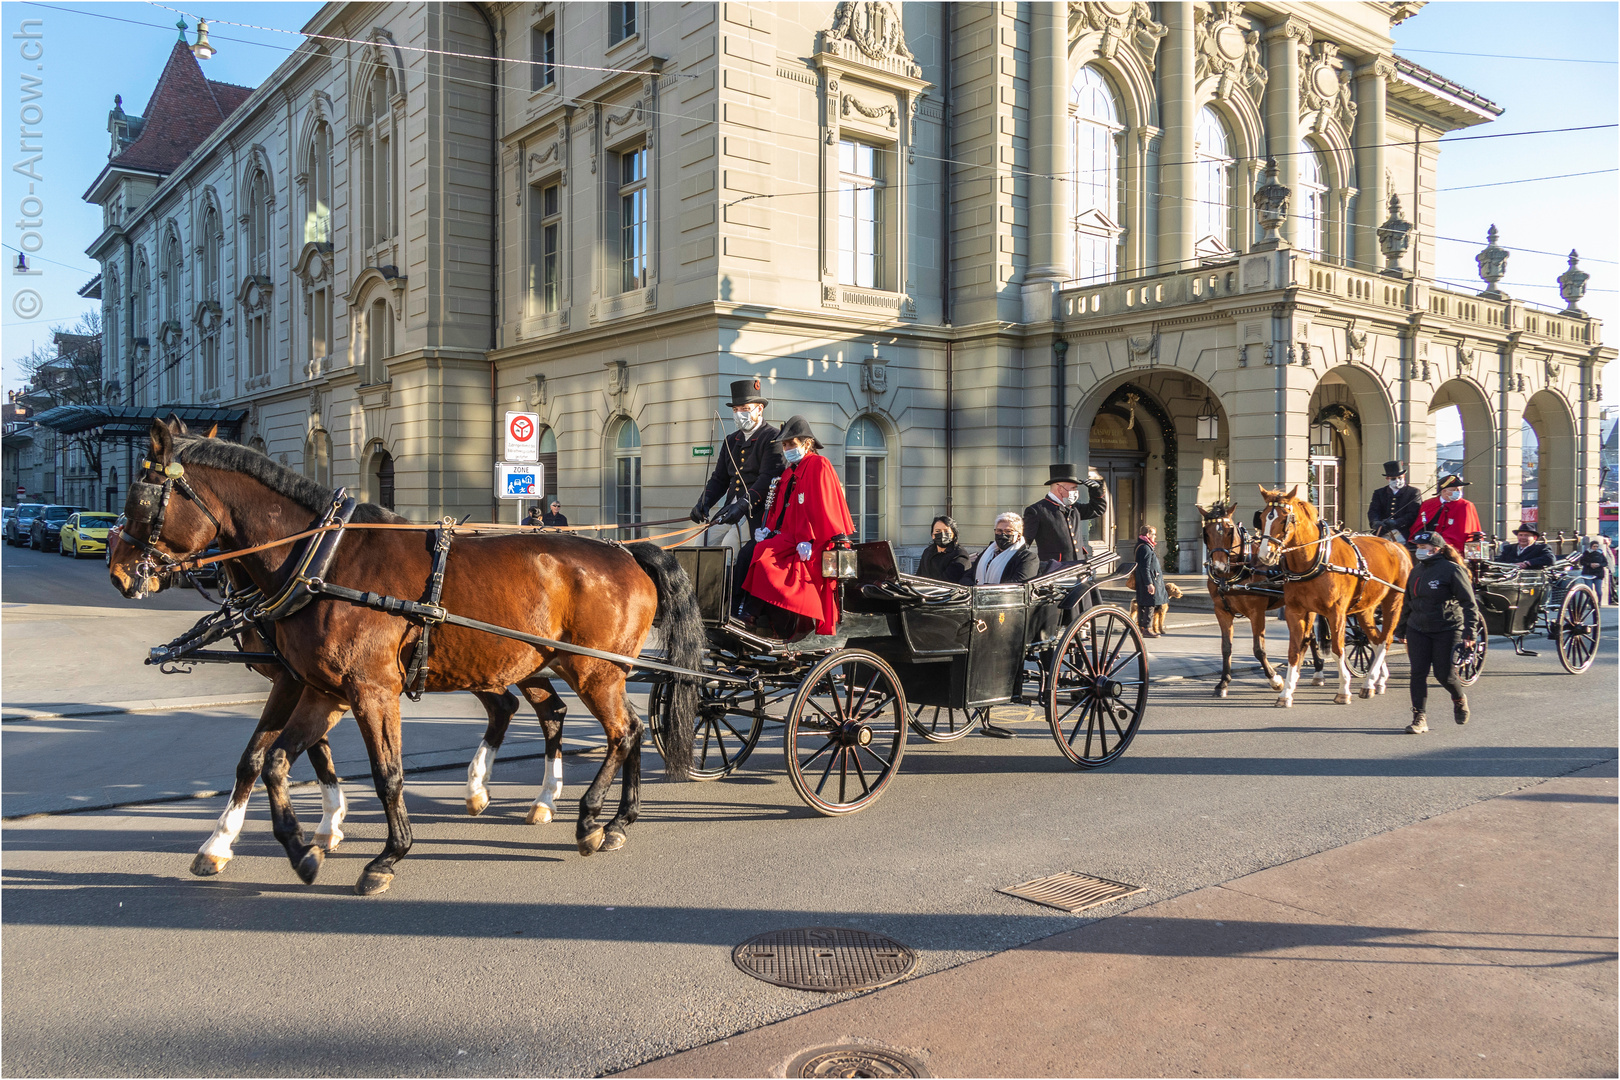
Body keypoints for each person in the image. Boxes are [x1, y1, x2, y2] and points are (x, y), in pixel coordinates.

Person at [740, 416, 854, 637]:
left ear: (807, 443)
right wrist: (768, 529)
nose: (787, 449)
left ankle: (752, 614)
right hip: (790, 538)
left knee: (764, 557)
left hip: (814, 542)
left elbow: (825, 509)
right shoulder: (788, 473)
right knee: (753, 550)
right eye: (784, 445)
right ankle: (755, 615)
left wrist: (810, 540)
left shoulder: (819, 465)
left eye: (791, 444)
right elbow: (781, 510)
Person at [1393, 530, 1482, 734]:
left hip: (1447, 628)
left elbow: (1469, 604)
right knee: (1417, 673)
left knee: (1445, 675)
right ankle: (1419, 718)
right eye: (1418, 547)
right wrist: (1402, 627)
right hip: (1418, 628)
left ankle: (1459, 699)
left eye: (1424, 548)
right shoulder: (1417, 570)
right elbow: (1408, 602)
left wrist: (1470, 634)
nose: (1419, 551)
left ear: (1436, 549)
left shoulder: (1452, 570)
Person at [690, 378, 783, 532]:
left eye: (745, 409)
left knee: (730, 546)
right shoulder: (731, 440)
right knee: (703, 544)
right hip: (729, 511)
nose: (739, 414)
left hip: (756, 513)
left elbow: (766, 479)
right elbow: (719, 479)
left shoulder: (773, 438)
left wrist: (742, 504)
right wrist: (704, 501)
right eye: (735, 410)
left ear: (759, 409)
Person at [1023, 463, 1107, 567]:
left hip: (1079, 564)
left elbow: (1098, 509)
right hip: (1055, 568)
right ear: (1060, 489)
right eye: (1073, 488)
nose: (1075, 492)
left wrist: (1096, 491)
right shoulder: (1037, 510)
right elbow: (1025, 542)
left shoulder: (1074, 508)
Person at [1414, 475, 1482, 552]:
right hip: (1427, 544)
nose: (1459, 492)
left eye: (1460, 489)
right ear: (1444, 491)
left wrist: (1441, 542)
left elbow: (1461, 531)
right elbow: (1419, 525)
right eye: (1455, 490)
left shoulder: (1465, 505)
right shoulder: (1428, 504)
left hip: (1452, 548)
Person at [970, 513, 1040, 585]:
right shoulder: (987, 553)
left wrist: (984, 588)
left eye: (1008, 531)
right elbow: (969, 575)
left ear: (1018, 535)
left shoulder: (1028, 558)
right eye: (999, 531)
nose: (1003, 535)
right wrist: (972, 588)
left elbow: (1019, 583)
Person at [1368, 460, 1422, 542]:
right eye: (1393, 479)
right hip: (1383, 531)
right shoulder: (1379, 493)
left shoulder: (1413, 492)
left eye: (1400, 478)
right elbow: (1373, 510)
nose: (1397, 481)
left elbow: (1413, 513)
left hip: (1403, 532)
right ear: (1387, 479)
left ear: (1404, 476)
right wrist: (1375, 522)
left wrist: (1396, 522)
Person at [917, 514, 972, 584]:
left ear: (953, 534)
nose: (942, 534)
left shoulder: (960, 555)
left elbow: (948, 582)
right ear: (932, 535)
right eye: (937, 531)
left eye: (946, 531)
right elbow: (919, 577)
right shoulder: (928, 552)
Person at [1133, 525, 1166, 638]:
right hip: (1147, 580)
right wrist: (1149, 584)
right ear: (1148, 535)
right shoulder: (1145, 548)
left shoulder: (1143, 546)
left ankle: (1142, 628)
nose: (1155, 537)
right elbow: (1145, 567)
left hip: (1144, 580)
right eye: (1153, 534)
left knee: (1143, 604)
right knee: (1149, 605)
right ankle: (1146, 628)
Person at [1577, 538, 1612, 603]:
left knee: (1598, 590)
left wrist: (1599, 564)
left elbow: (1605, 563)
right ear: (1591, 546)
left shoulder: (1600, 553)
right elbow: (1582, 562)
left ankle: (1599, 602)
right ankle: (1590, 603)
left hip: (1598, 573)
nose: (1595, 548)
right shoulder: (1586, 553)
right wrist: (1590, 564)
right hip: (1588, 573)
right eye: (1594, 546)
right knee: (1589, 589)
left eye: (1597, 546)